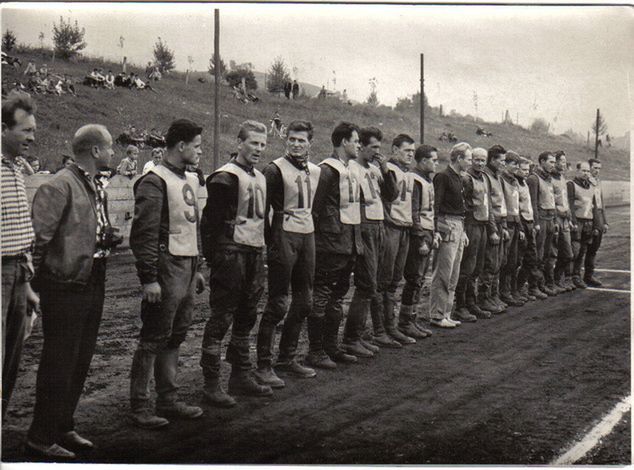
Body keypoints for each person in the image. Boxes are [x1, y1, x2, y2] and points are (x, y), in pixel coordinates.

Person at [27, 124, 118, 459]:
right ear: (95, 151)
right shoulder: (60, 185)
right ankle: (41, 435)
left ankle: (62, 426)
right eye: (109, 148)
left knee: (80, 359)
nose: (113, 154)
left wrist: (107, 234)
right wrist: (32, 290)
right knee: (59, 361)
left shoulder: (92, 184)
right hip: (64, 285)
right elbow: (38, 242)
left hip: (92, 278)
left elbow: (83, 229)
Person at [129, 119, 205, 428]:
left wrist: (197, 269)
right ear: (181, 146)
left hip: (186, 266)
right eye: (197, 146)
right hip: (166, 264)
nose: (200, 152)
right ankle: (139, 405)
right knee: (153, 336)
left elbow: (192, 225)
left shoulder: (189, 177)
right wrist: (149, 277)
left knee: (176, 334)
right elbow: (143, 234)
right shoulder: (153, 180)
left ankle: (168, 398)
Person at [200, 120, 272, 407]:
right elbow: (209, 223)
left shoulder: (260, 177)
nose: (258, 149)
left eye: (263, 144)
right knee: (222, 317)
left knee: (247, 315)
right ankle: (211, 383)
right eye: (253, 143)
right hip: (230, 254)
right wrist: (213, 257)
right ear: (239, 142)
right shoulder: (224, 178)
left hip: (254, 252)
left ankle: (240, 375)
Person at [253, 120, 321, 389]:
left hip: (307, 235)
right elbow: (263, 209)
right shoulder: (274, 169)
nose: (296, 144)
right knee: (278, 303)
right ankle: (263, 365)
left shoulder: (316, 171)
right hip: (284, 234)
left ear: (309, 143)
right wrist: (271, 242)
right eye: (292, 139)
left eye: (301, 140)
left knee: (305, 301)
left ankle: (287, 357)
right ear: (285, 140)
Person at [306, 121, 362, 369]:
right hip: (329, 245)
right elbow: (314, 211)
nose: (358, 145)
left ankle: (331, 347)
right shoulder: (326, 170)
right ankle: (315, 351)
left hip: (347, 244)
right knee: (322, 296)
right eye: (356, 140)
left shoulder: (350, 169)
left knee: (338, 297)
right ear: (343, 142)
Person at [343, 127, 399, 356]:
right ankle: (350, 338)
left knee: (374, 283)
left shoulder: (375, 169)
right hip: (364, 226)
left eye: (379, 147)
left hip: (379, 226)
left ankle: (360, 335)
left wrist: (385, 168)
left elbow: (392, 194)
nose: (377, 151)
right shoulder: (352, 168)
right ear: (362, 146)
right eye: (373, 147)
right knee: (366, 284)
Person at [1, 91, 39, 422]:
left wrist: (26, 283)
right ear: (3, 128)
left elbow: (20, 233)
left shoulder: (15, 168)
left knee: (11, 358)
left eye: (33, 130)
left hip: (16, 271)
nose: (32, 137)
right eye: (25, 131)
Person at [375, 134, 418, 344]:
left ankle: (391, 327)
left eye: (412, 151)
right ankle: (380, 330)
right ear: (394, 150)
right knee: (383, 280)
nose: (410, 154)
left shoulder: (406, 172)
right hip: (391, 228)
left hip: (404, 229)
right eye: (406, 150)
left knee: (395, 280)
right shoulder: (387, 170)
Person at [429, 142, 472, 328]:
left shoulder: (460, 178)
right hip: (447, 225)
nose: (469, 163)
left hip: (459, 225)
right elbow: (435, 205)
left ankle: (446, 313)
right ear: (459, 158)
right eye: (468, 159)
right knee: (443, 274)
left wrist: (463, 231)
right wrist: (436, 230)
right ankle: (436, 315)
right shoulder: (443, 177)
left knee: (454, 274)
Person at [398, 144, 438, 333]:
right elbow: (413, 212)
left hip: (429, 231)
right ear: (423, 161)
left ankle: (412, 319)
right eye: (434, 160)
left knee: (420, 279)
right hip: (418, 234)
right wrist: (420, 238)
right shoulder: (415, 180)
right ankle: (405, 322)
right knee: (414, 278)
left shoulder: (427, 180)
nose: (436, 164)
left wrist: (434, 232)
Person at [455, 147, 495, 321]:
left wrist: (492, 229)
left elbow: (488, 205)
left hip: (483, 225)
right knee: (467, 267)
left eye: (483, 160)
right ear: (471, 160)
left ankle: (472, 302)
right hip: (471, 225)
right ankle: (460, 305)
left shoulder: (485, 177)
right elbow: (462, 205)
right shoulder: (466, 178)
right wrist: (464, 228)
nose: (480, 163)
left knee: (478, 267)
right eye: (476, 160)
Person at [479, 145, 510, 314]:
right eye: (501, 160)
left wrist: (503, 226)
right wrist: (492, 230)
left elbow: (502, 203)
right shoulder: (486, 177)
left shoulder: (498, 177)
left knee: (499, 262)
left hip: (500, 223)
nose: (503, 164)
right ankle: (483, 298)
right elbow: (488, 206)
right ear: (492, 160)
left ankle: (493, 295)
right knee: (490, 263)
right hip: (491, 223)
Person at [514, 155, 547, 301]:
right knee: (517, 260)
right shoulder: (515, 183)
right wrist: (521, 226)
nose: (526, 172)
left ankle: (520, 287)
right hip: (520, 223)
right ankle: (514, 290)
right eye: (523, 169)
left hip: (529, 223)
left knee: (531, 258)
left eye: (528, 169)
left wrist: (533, 223)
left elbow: (531, 205)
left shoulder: (525, 184)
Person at [526, 151, 559, 296]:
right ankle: (533, 287)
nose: (554, 164)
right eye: (551, 162)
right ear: (542, 161)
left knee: (546, 254)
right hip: (541, 220)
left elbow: (552, 201)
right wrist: (536, 223)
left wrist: (555, 220)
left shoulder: (549, 179)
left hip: (550, 218)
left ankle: (541, 284)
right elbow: (532, 202)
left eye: (554, 162)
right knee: (537, 255)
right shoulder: (534, 179)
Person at [498, 150, 526, 306]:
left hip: (515, 224)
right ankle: (502, 293)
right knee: (504, 259)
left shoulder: (514, 181)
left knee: (514, 261)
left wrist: (520, 227)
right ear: (506, 164)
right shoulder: (501, 180)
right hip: (506, 224)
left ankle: (509, 291)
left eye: (517, 164)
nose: (516, 167)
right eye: (513, 164)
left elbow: (517, 208)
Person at [551, 151, 576, 292]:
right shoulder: (550, 178)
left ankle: (556, 279)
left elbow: (565, 200)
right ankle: (550, 283)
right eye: (561, 161)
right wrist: (557, 212)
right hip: (554, 219)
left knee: (568, 254)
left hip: (565, 220)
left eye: (565, 161)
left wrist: (569, 218)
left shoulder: (562, 177)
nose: (564, 164)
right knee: (551, 253)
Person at [568, 162, 594, 289]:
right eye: (583, 170)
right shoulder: (571, 184)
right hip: (577, 221)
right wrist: (572, 221)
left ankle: (577, 276)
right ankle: (568, 276)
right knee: (574, 250)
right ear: (577, 171)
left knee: (583, 250)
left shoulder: (590, 186)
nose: (586, 173)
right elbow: (570, 204)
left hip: (588, 222)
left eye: (588, 171)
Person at [585, 158, 608, 287]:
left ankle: (588, 275)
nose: (597, 171)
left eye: (599, 168)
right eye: (594, 168)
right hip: (588, 219)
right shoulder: (585, 182)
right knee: (582, 249)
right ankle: (572, 277)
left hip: (598, 218)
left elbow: (601, 203)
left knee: (593, 249)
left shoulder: (598, 182)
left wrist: (605, 221)